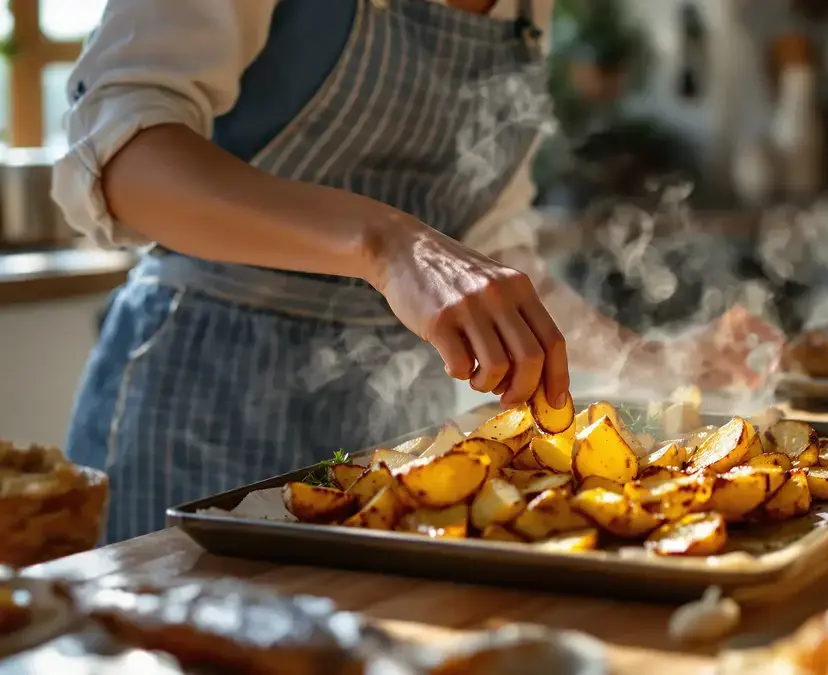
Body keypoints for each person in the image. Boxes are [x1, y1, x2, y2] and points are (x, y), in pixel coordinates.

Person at [54, 0, 779, 544]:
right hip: (195, 407)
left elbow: (493, 256)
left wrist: (649, 358)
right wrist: (387, 244)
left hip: (389, 445)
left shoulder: (526, 12)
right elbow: (124, 157)